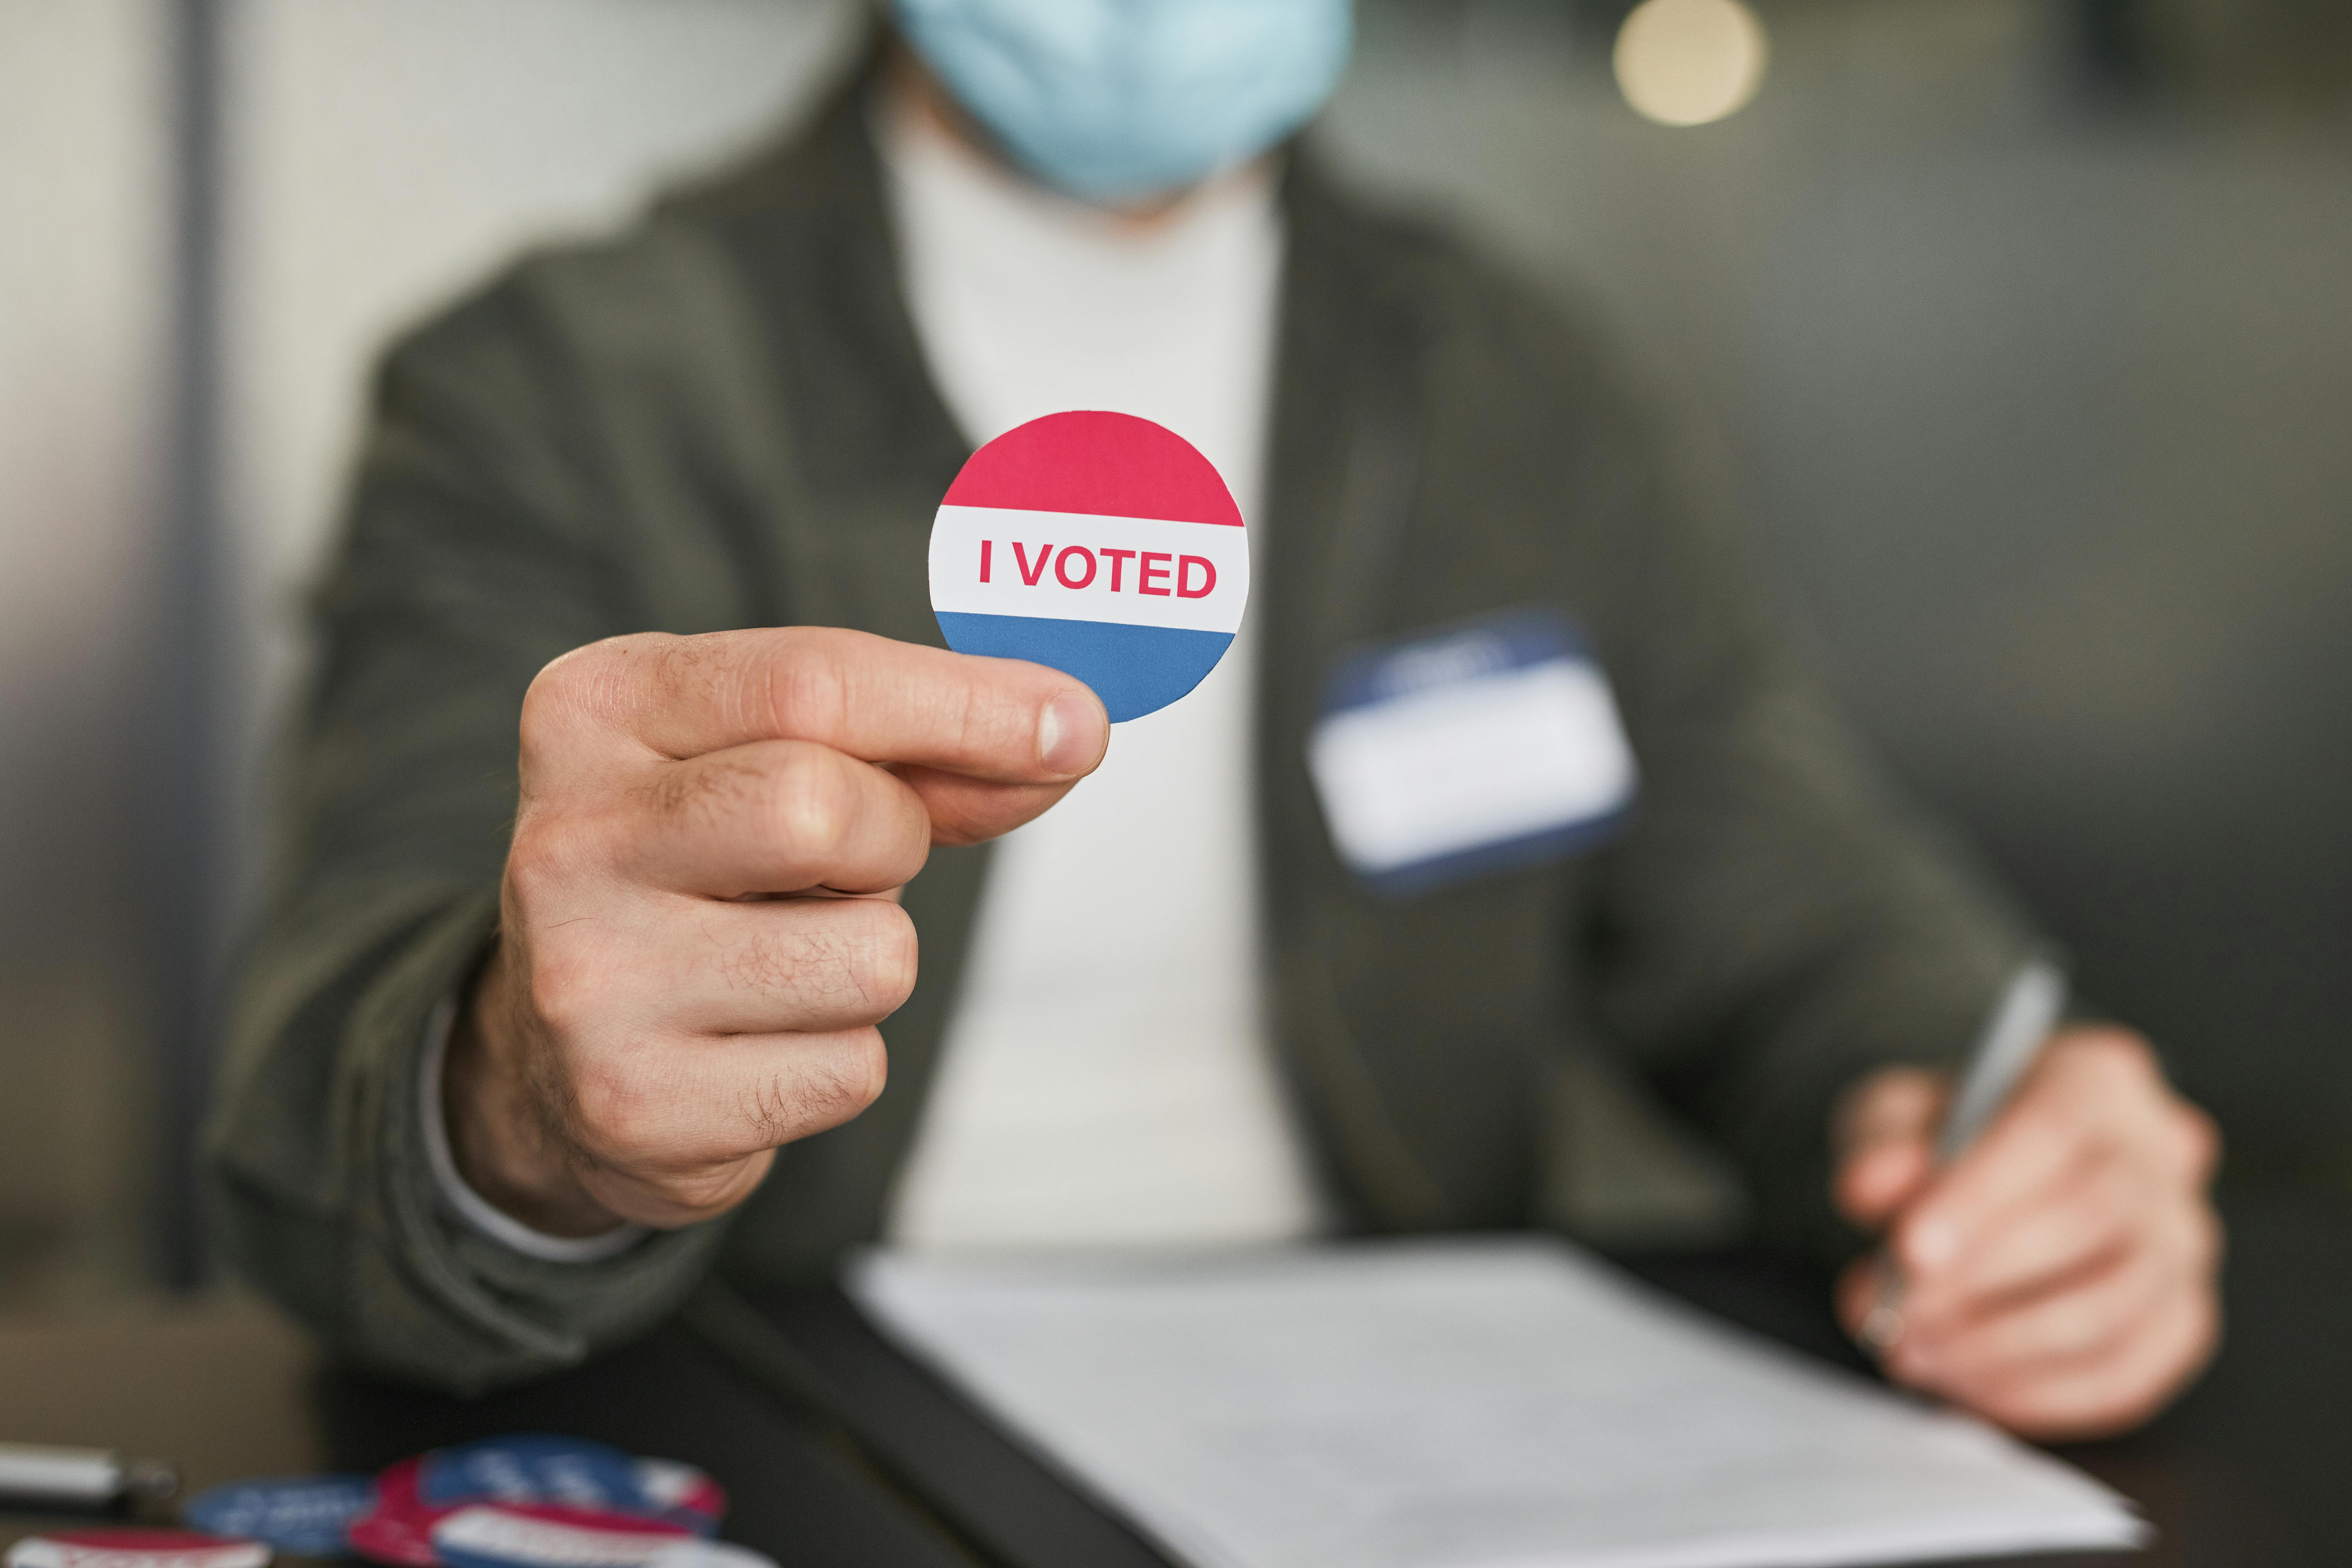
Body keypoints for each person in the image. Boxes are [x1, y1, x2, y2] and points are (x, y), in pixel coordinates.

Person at [210, 0, 2220, 1443]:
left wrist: (1989, 1129)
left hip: (1417, 1463)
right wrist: (521, 1102)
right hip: (772, 1439)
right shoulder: (553, 380)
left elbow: (1796, 907)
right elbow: (318, 1094)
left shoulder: (1518, 381)